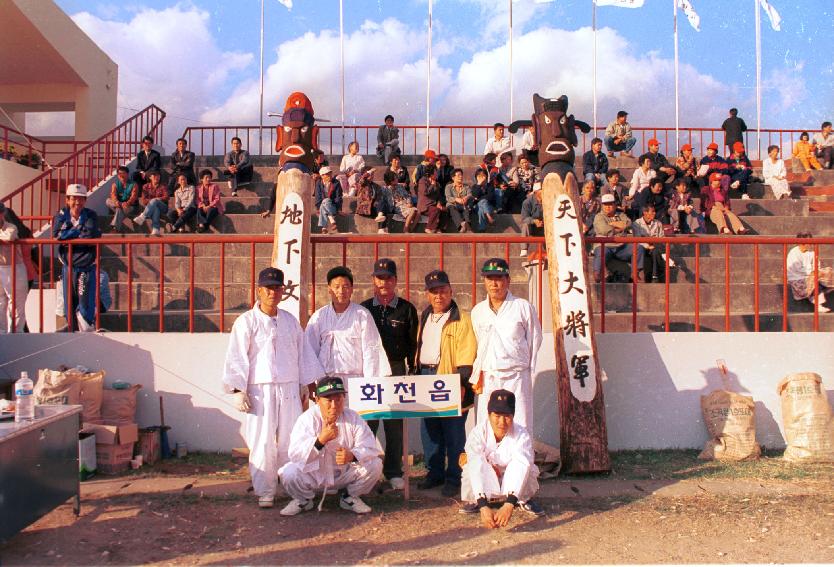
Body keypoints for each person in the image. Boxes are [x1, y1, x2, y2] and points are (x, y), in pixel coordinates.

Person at [222, 267, 325, 508]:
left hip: (289, 387)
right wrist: (238, 390)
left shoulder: (289, 321)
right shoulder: (246, 322)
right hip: (260, 389)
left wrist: (305, 384)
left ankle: (292, 485)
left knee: (292, 439)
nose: (273, 292)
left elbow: (303, 354)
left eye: (278, 287)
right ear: (259, 290)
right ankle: (265, 490)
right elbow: (237, 356)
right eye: (269, 288)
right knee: (263, 441)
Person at [278, 376, 383, 516]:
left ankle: (349, 497)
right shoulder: (307, 419)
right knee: (288, 473)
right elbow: (295, 454)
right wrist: (320, 441)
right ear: (317, 400)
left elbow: (369, 446)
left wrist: (352, 455)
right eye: (328, 400)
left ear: (344, 398)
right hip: (315, 476)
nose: (334, 405)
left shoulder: (353, 417)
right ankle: (303, 500)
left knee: (375, 464)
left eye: (338, 399)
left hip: (343, 473)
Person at [414, 269, 477, 497]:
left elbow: (467, 352)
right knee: (430, 429)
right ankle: (434, 473)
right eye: (433, 292)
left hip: (450, 378)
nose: (438, 296)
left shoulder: (462, 318)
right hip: (425, 375)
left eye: (442, 291)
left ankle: (454, 477)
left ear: (450, 291)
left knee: (453, 431)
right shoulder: (425, 315)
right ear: (427, 294)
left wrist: (461, 381)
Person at [360, 259, 419, 491]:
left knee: (394, 424)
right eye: (379, 277)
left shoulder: (406, 309)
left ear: (395, 280)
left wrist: (411, 372)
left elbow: (413, 344)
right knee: (367, 424)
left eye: (388, 278)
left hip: (395, 370)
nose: (384, 282)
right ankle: (366, 470)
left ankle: (393, 471)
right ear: (373, 280)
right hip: (370, 370)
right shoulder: (364, 309)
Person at [470, 257, 542, 431]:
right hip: (489, 376)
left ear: (508, 280)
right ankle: (490, 458)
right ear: (484, 281)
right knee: (487, 424)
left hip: (516, 375)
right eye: (490, 278)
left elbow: (535, 339)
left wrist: (526, 368)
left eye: (499, 278)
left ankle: (521, 458)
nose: (494, 284)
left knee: (520, 422)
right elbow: (480, 343)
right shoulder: (478, 311)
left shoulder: (522, 307)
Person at [460, 389, 542, 522]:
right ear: (489, 415)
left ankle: (522, 500)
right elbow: (476, 462)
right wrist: (483, 506)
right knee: (470, 466)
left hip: (511, 482)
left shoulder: (521, 434)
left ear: (513, 416)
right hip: (487, 478)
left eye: (507, 416)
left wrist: (509, 503)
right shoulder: (478, 432)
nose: (502, 422)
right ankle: (476, 500)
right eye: (497, 416)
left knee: (529, 468)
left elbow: (521, 463)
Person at [305, 266, 391, 387]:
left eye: (346, 287)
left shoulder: (362, 315)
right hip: (326, 380)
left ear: (351, 289)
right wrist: (310, 381)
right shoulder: (319, 316)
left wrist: (371, 382)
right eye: (336, 287)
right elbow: (309, 350)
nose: (341, 291)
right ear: (329, 289)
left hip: (355, 381)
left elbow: (371, 350)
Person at [52, 184, 101, 332]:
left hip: (86, 265)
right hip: (68, 266)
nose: (77, 203)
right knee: (69, 306)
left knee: (85, 305)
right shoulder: (61, 214)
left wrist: (69, 232)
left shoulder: (91, 214)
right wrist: (77, 231)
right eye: (74, 199)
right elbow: (57, 235)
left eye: (81, 199)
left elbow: (90, 234)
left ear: (85, 201)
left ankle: (86, 334)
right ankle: (72, 333)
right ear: (67, 200)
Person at [593, 193, 643, 282]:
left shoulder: (621, 215)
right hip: (605, 245)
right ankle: (598, 273)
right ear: (602, 205)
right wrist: (618, 227)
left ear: (615, 205)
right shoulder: (599, 216)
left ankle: (635, 273)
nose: (608, 207)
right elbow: (604, 230)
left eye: (610, 204)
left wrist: (612, 225)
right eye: (605, 204)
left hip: (621, 246)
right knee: (600, 251)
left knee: (638, 247)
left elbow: (628, 223)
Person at [786, 232, 833, 312]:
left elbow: (816, 265)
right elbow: (797, 269)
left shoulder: (811, 252)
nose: (809, 244)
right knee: (814, 279)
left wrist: (817, 271)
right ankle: (818, 305)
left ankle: (824, 287)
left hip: (810, 275)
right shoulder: (793, 253)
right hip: (797, 279)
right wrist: (811, 273)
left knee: (828, 271)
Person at [0, 202, 28, 333]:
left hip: (14, 268)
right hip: (1, 269)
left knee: (17, 306)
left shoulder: (11, 226)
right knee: (0, 304)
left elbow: (9, 237)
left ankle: (16, 336)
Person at [632, 205, 666, 283]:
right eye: (652, 211)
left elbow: (662, 238)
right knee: (652, 251)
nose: (654, 213)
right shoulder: (637, 223)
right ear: (645, 212)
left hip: (655, 246)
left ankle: (654, 276)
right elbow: (637, 239)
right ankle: (655, 276)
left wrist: (654, 244)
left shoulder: (658, 223)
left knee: (655, 251)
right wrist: (648, 246)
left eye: (655, 211)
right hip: (643, 247)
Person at [132, 171, 169, 236]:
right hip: (151, 208)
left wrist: (157, 199)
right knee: (156, 208)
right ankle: (156, 229)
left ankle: (143, 216)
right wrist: (153, 201)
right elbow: (144, 201)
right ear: (150, 177)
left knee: (155, 201)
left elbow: (166, 197)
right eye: (154, 176)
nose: (157, 177)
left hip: (163, 207)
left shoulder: (163, 186)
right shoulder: (145, 186)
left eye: (158, 176)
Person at [354, 168, 389, 234]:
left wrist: (376, 202)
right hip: (365, 207)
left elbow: (379, 196)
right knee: (382, 208)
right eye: (370, 174)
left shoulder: (376, 186)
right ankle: (381, 228)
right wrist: (368, 172)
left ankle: (380, 217)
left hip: (375, 207)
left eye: (372, 174)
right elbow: (362, 179)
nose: (372, 176)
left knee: (383, 204)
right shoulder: (362, 184)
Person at [106, 166, 139, 232]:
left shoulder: (134, 184)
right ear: (118, 175)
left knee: (119, 209)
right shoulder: (115, 184)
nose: (122, 175)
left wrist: (127, 203)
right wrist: (116, 202)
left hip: (130, 206)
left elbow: (133, 197)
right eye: (120, 174)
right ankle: (115, 227)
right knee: (108, 200)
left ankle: (115, 228)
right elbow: (113, 195)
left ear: (127, 174)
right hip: (119, 204)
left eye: (123, 173)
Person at [417, 164, 444, 234]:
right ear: (430, 173)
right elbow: (425, 192)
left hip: (433, 204)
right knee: (435, 210)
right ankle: (428, 228)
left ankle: (438, 228)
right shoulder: (422, 181)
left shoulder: (437, 183)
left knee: (445, 210)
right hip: (425, 206)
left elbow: (439, 196)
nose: (437, 174)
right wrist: (432, 185)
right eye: (435, 172)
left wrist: (439, 203)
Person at [315, 166, 343, 234]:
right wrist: (318, 208)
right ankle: (331, 221)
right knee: (324, 203)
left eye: (330, 173)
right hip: (323, 206)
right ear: (322, 176)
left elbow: (338, 197)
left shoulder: (336, 183)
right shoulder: (319, 183)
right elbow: (318, 197)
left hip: (333, 206)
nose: (329, 176)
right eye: (327, 174)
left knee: (326, 200)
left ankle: (324, 227)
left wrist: (339, 209)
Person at [195, 169, 224, 233]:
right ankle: (203, 225)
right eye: (206, 178)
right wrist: (202, 206)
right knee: (199, 209)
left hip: (214, 206)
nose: (208, 179)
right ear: (201, 179)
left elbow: (217, 199)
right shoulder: (198, 188)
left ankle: (202, 226)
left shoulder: (215, 186)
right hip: (204, 206)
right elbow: (197, 199)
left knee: (211, 210)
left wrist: (209, 206)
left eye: (210, 177)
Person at [445, 168, 473, 233]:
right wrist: (456, 199)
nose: (461, 177)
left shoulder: (466, 186)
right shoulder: (448, 187)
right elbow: (448, 198)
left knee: (466, 209)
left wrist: (466, 198)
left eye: (461, 175)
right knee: (452, 208)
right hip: (453, 204)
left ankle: (467, 226)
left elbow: (470, 194)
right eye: (458, 175)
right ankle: (462, 225)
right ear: (453, 178)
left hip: (463, 204)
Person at [520, 183, 544, 257]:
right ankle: (524, 249)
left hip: (545, 226)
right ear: (536, 192)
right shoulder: (527, 202)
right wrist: (534, 221)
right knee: (525, 225)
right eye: (541, 190)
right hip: (533, 227)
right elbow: (524, 218)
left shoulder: (548, 199)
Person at [470, 168, 496, 232]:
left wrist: (479, 199)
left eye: (483, 176)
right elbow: (474, 196)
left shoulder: (490, 186)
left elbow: (490, 197)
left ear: (486, 177)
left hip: (489, 206)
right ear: (476, 177)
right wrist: (479, 184)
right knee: (481, 203)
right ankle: (488, 216)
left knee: (481, 208)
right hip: (476, 206)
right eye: (479, 176)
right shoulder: (474, 186)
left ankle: (481, 229)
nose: (481, 178)